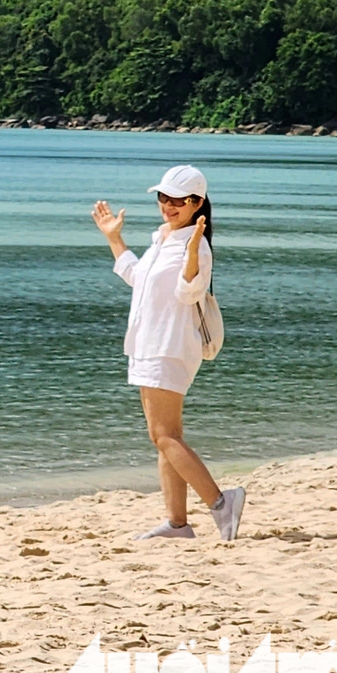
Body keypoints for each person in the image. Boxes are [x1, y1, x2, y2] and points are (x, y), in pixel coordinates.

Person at [90, 164, 244, 542]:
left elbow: (188, 293)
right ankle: (178, 523)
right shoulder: (163, 238)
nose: (168, 205)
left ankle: (222, 503)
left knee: (164, 437)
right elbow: (138, 279)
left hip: (170, 347)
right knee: (165, 435)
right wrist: (114, 238)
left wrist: (192, 256)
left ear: (196, 203)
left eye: (177, 200)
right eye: (163, 197)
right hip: (147, 345)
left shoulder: (196, 244)